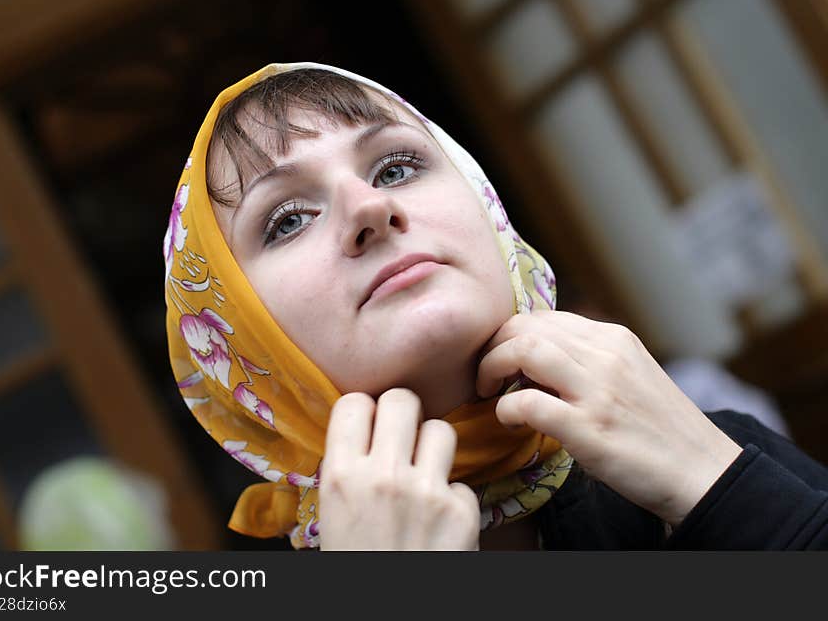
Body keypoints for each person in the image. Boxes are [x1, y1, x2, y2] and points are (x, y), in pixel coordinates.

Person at [164, 63, 828, 550]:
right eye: (286, 220)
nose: (369, 207)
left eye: (395, 167)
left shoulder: (715, 452)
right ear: (232, 341)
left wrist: (719, 483)